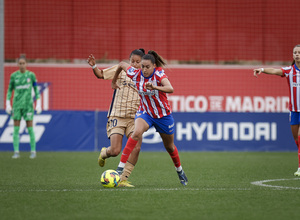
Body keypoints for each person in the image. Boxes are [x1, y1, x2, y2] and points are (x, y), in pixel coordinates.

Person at [112, 50, 188, 186]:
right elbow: (121, 65)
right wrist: (113, 81)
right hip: (145, 113)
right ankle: (119, 169)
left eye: (147, 67)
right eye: (142, 66)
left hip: (163, 116)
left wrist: (155, 87)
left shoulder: (159, 74)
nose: (144, 69)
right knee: (136, 133)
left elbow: (170, 88)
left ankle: (180, 170)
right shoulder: (135, 74)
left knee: (170, 147)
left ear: (154, 66)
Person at [87, 49, 145, 187]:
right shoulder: (122, 70)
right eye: (133, 61)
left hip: (134, 118)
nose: (135, 64)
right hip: (117, 115)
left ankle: (123, 178)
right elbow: (101, 75)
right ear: (129, 61)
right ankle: (104, 153)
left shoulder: (145, 76)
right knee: (115, 151)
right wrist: (94, 66)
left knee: (136, 148)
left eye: (138, 62)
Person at [253, 44, 300, 177]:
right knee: (297, 140)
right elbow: (274, 71)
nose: (297, 55)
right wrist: (262, 69)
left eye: (299, 52)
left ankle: (299, 168)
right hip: (294, 111)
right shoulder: (289, 71)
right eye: (295, 52)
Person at [5, 55, 42, 159]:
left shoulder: (31, 75)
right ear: (18, 64)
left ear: (26, 64)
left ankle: (33, 151)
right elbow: (9, 90)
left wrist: (38, 103)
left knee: (30, 129)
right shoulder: (13, 76)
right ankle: (16, 152)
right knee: (16, 129)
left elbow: (36, 89)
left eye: (23, 63)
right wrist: (8, 103)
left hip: (28, 105)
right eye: (20, 63)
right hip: (16, 105)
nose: (22, 65)